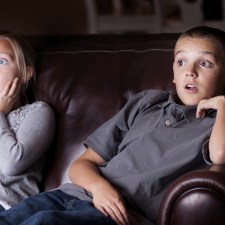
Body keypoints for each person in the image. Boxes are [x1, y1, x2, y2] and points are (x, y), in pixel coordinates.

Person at [0, 26, 224, 225]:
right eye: (181, 61)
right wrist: (99, 187)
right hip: (69, 194)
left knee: (43, 221)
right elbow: (81, 164)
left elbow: (220, 154)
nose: (190, 71)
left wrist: (223, 105)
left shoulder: (214, 125)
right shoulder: (148, 102)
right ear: (173, 72)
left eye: (205, 63)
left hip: (116, 214)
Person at [0, 31, 55, 211]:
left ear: (25, 74)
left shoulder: (38, 112)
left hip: (7, 206)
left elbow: (10, 164)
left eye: (1, 62)